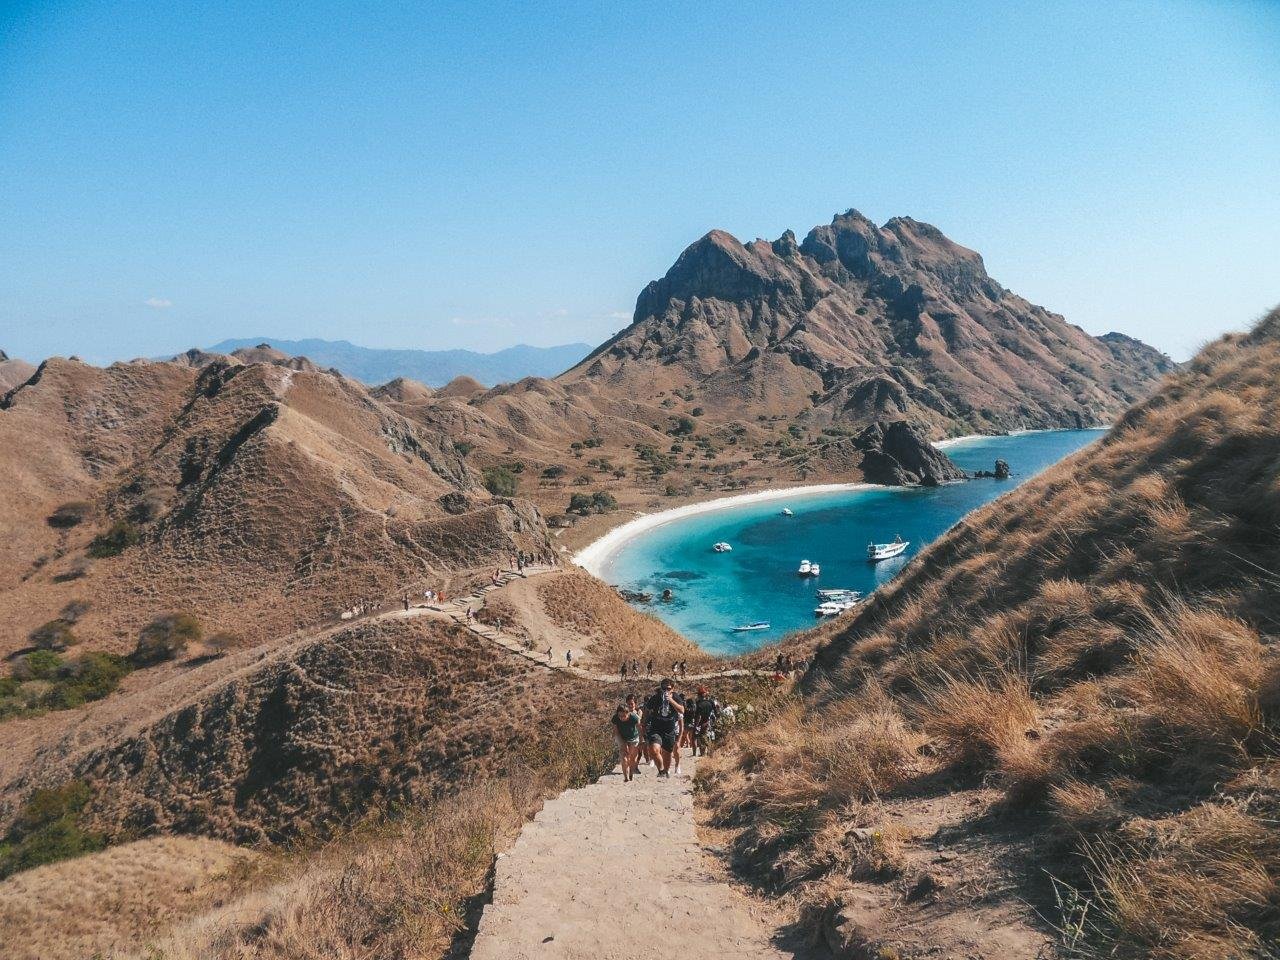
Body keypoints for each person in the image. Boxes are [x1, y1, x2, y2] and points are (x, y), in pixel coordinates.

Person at [642, 679, 684, 778]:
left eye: (668, 688)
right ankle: (661, 770)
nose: (665, 690)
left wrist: (671, 700)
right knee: (654, 749)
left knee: (667, 752)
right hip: (656, 727)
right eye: (663, 688)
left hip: (669, 729)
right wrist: (644, 721)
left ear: (672, 689)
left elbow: (682, 710)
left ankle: (666, 770)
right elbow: (647, 709)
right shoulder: (656, 698)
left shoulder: (676, 697)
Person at [611, 702, 642, 782]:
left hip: (633, 737)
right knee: (624, 756)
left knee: (631, 757)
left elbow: (639, 729)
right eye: (620, 716)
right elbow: (616, 731)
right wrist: (620, 742)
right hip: (621, 737)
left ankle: (631, 772)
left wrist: (641, 740)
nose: (622, 718)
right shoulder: (615, 718)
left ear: (628, 713)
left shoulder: (634, 717)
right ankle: (626, 777)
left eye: (624, 716)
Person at [690, 686, 721, 757]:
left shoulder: (699, 704)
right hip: (710, 722)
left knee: (702, 738)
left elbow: (698, 716)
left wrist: (696, 726)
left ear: (699, 695)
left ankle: (703, 753)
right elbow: (716, 712)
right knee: (709, 738)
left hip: (702, 723)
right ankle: (708, 753)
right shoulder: (711, 702)